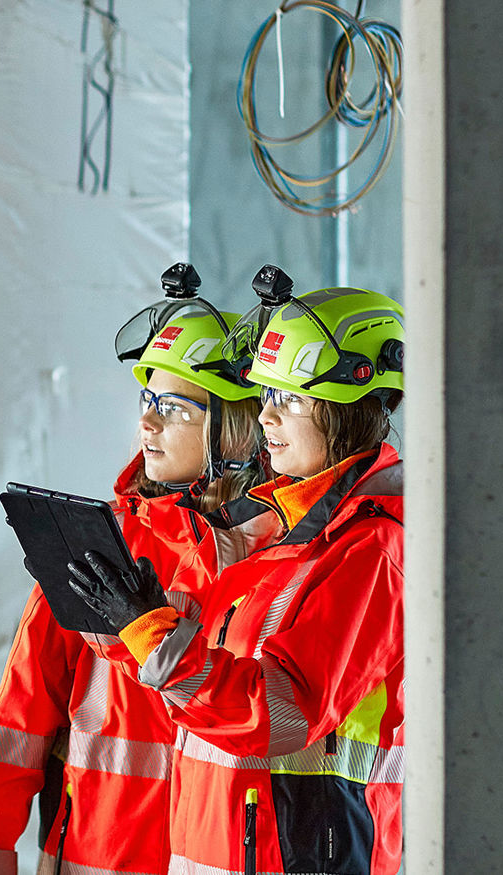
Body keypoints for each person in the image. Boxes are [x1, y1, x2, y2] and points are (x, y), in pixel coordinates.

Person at [70, 276, 405, 875]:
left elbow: (282, 715)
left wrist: (152, 635)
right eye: (266, 394)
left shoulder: (370, 550)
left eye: (291, 399)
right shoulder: (286, 536)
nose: (267, 415)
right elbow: (205, 693)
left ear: (352, 403)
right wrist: (128, 630)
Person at [0, 263, 270, 875]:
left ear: (236, 426)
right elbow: (21, 716)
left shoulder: (283, 559)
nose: (147, 423)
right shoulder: (102, 543)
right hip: (100, 858)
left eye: (175, 408)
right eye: (147, 401)